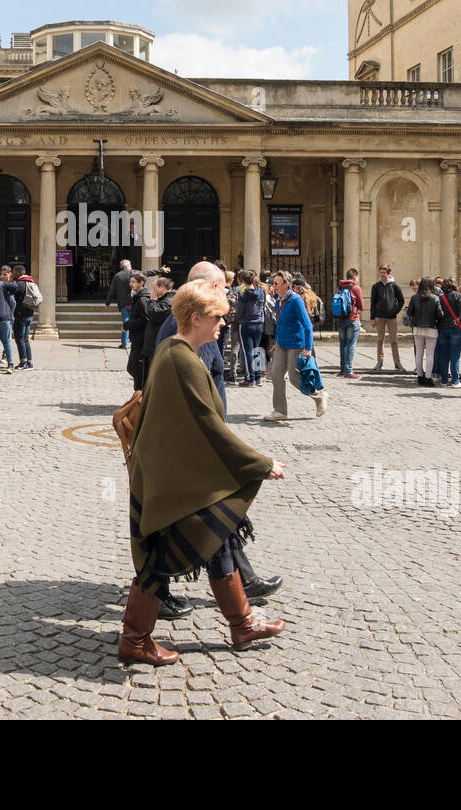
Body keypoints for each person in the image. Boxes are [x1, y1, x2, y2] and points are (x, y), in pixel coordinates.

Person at [117, 279, 288, 666]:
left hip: (174, 474)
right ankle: (134, 639)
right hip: (172, 482)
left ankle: (242, 624)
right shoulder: (180, 358)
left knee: (220, 537)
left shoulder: (177, 350)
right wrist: (261, 465)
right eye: (217, 318)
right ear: (195, 319)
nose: (224, 324)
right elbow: (209, 426)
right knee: (163, 555)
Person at [263, 271, 326, 421]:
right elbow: (280, 324)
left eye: (276, 284)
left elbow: (307, 326)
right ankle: (280, 411)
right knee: (276, 374)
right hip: (282, 344)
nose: (273, 287)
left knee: (294, 377)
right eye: (273, 283)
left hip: (296, 344)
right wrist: (276, 341)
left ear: (286, 284)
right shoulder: (278, 300)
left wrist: (308, 348)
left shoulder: (296, 300)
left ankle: (319, 397)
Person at [408, 277, 444, 386]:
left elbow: (410, 312)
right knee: (430, 354)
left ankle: (420, 376)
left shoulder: (415, 297)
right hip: (431, 328)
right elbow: (440, 314)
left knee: (418, 353)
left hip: (417, 328)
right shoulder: (435, 298)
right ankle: (428, 378)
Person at [369, 265, 406, 372]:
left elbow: (401, 300)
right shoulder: (376, 286)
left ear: (388, 273)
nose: (382, 275)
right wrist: (372, 317)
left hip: (391, 317)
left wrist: (395, 310)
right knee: (380, 340)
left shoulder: (394, 286)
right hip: (379, 317)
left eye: (384, 273)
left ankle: (397, 363)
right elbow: (373, 302)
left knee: (394, 340)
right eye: (380, 273)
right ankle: (379, 362)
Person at [434, 277, 461, 388]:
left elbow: (438, 313)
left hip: (442, 328)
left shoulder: (440, 297)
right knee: (455, 356)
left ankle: (444, 380)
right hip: (455, 328)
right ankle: (455, 380)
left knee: (444, 355)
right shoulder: (458, 296)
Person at [140, 276, 175, 384]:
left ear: (162, 288)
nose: (152, 291)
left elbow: (155, 314)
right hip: (153, 343)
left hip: (157, 344)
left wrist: (152, 301)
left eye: (154, 288)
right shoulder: (164, 299)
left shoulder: (168, 301)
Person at [0, 266, 21, 375]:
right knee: (6, 341)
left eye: (5, 274)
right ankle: (9, 365)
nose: (3, 276)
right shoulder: (1, 284)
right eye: (2, 274)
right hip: (4, 316)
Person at [234, 269, 265, 387]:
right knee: (257, 350)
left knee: (248, 352)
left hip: (246, 324)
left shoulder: (243, 294)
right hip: (258, 324)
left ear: (243, 281)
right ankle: (258, 378)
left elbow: (239, 311)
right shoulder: (261, 291)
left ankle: (250, 378)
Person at [335, 268, 364, 378]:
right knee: (350, 345)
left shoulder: (339, 287)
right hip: (352, 319)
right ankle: (348, 371)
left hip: (341, 319)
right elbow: (361, 305)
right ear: (355, 277)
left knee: (343, 345)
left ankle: (342, 369)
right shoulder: (356, 288)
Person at [124, 271, 150, 390]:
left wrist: (128, 324)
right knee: (133, 368)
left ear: (142, 283)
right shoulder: (138, 296)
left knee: (136, 369)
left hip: (141, 340)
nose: (130, 284)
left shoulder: (143, 299)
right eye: (130, 281)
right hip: (137, 339)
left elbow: (146, 320)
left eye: (133, 282)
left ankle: (139, 399)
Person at [11, 264, 39, 370]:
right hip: (29, 314)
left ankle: (23, 362)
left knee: (20, 339)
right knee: (25, 339)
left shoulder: (19, 284)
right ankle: (29, 362)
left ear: (18, 273)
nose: (12, 274)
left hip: (20, 315)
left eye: (13, 272)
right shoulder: (30, 282)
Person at [106, 259, 135, 349]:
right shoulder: (133, 273)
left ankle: (124, 343)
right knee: (136, 323)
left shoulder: (117, 276)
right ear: (127, 266)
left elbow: (112, 291)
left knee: (125, 323)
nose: (131, 267)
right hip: (134, 303)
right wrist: (161, 270)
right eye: (130, 265)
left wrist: (108, 302)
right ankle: (134, 342)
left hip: (124, 305)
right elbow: (148, 273)